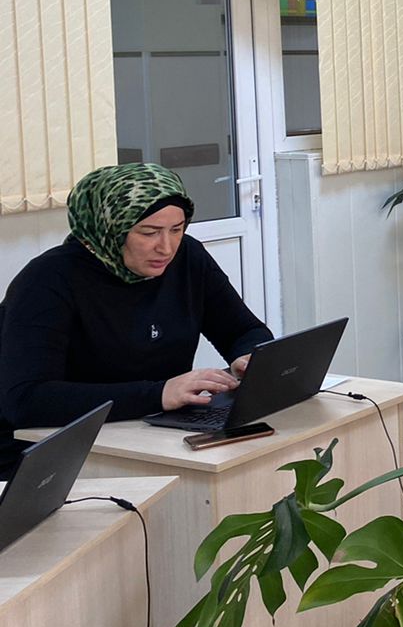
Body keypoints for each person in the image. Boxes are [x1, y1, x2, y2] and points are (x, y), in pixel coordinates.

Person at [0, 163, 273, 479]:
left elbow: (244, 330)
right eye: (149, 232)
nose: (166, 247)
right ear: (109, 229)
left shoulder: (188, 258)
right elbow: (27, 400)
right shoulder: (47, 281)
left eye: (177, 229)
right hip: (48, 458)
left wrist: (248, 356)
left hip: (148, 435)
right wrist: (158, 394)